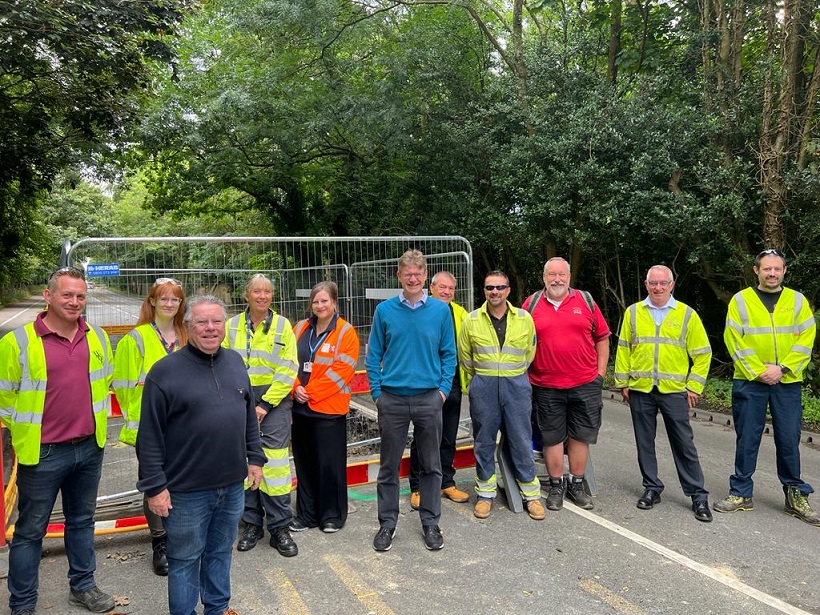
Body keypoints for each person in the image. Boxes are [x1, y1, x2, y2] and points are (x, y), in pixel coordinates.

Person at [137, 295, 265, 615]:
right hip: (186, 492)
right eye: (202, 322)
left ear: (225, 325)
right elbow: (149, 437)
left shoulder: (235, 362)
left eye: (217, 321)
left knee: (220, 553)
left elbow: (248, 416)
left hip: (232, 486)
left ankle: (216, 609)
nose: (210, 328)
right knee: (184, 560)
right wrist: (154, 487)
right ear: (188, 326)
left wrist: (255, 458)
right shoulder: (164, 373)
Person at [0, 267, 116, 615]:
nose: (75, 302)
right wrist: (28, 434)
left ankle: (83, 586)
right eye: (67, 295)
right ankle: (22, 604)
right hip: (43, 452)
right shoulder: (16, 342)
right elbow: (5, 399)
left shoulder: (95, 336)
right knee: (30, 531)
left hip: (89, 447)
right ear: (48, 296)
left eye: (80, 296)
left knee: (82, 521)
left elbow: (104, 379)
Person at [715, 249, 819, 525]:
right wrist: (759, 371)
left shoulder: (797, 301)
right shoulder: (741, 301)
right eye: (766, 269)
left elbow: (806, 338)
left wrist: (782, 369)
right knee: (747, 438)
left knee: (789, 439)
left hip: (787, 382)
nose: (772, 273)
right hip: (750, 381)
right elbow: (734, 338)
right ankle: (740, 493)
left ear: (784, 270)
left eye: (777, 269)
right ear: (756, 270)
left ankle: (794, 494)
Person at [366, 249, 456, 552]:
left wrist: (442, 391)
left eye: (418, 272)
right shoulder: (385, 311)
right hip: (392, 399)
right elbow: (373, 354)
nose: (413, 277)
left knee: (432, 466)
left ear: (425, 275)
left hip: (429, 398)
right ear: (399, 276)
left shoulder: (441, 311)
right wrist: (378, 394)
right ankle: (387, 525)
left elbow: (449, 354)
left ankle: (431, 523)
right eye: (408, 273)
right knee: (389, 466)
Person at [614, 265, 713, 522]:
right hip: (641, 388)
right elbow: (623, 349)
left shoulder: (687, 315)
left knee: (684, 444)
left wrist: (694, 386)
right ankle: (652, 488)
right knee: (644, 442)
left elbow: (703, 354)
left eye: (663, 283)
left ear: (672, 285)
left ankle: (698, 495)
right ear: (646, 285)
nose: (658, 288)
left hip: (674, 391)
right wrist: (623, 382)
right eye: (653, 283)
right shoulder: (633, 312)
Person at [112, 277, 187, 576]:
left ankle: (183, 536)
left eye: (175, 299)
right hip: (150, 426)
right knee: (156, 483)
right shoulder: (136, 338)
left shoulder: (186, 335)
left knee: (183, 480)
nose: (169, 304)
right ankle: (161, 542)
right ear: (152, 301)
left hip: (185, 425)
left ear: (181, 304)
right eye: (164, 299)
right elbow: (124, 386)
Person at [523, 257, 611, 511]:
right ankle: (556, 485)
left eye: (561, 275)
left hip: (584, 383)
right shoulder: (531, 304)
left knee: (579, 436)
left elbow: (602, 338)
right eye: (552, 275)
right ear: (544, 277)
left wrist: (600, 373)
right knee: (552, 437)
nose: (557, 279)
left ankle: (576, 483)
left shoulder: (586, 301)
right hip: (545, 384)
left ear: (569, 277)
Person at [222, 274, 300, 555]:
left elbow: (289, 367)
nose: (262, 296)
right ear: (247, 295)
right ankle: (251, 523)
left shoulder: (282, 326)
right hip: (239, 399)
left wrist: (265, 405)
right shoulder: (231, 326)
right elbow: (222, 362)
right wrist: (241, 402)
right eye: (257, 291)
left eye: (267, 291)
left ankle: (279, 527)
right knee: (244, 461)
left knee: (276, 464)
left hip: (274, 401)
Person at [459, 271, 545, 520]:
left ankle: (531, 495)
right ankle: (485, 495)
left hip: (516, 385)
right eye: (489, 288)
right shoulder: (472, 320)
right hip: (484, 385)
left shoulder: (524, 319)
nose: (494, 291)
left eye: (499, 287)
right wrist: (483, 376)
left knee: (520, 439)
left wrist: (512, 374)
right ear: (484, 291)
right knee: (484, 441)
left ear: (508, 290)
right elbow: (465, 357)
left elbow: (530, 351)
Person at [289, 282, 360, 533]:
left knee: (329, 465)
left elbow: (342, 371)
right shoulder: (300, 328)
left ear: (334, 303)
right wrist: (295, 387)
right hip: (300, 408)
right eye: (316, 302)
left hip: (328, 410)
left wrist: (308, 392)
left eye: (324, 301)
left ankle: (332, 515)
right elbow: (287, 361)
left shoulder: (345, 332)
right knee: (304, 463)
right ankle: (306, 515)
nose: (320, 306)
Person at [408, 271, 470, 510]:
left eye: (451, 288)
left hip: (452, 383)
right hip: (426, 385)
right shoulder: (420, 310)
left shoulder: (461, 314)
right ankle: (417, 487)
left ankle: (446, 481)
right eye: (442, 287)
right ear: (431, 288)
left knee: (448, 436)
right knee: (423, 436)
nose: (446, 292)